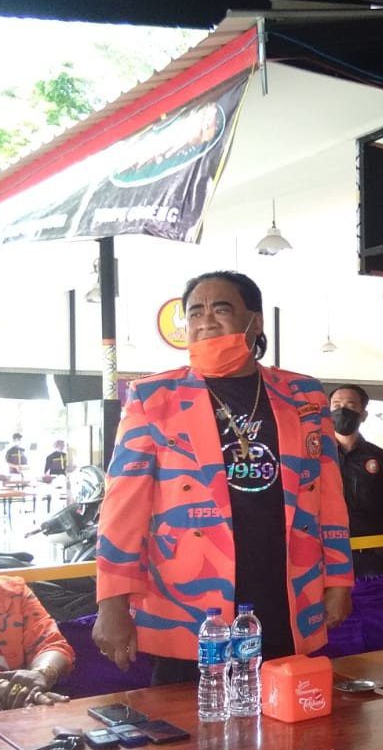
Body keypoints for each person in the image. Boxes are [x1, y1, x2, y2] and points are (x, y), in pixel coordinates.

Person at [94, 271, 352, 684]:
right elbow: (123, 509)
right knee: (190, 731)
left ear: (255, 321)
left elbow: (331, 498)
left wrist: (339, 580)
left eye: (222, 308)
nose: (206, 320)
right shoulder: (153, 397)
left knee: (285, 727)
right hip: (189, 601)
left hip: (286, 591)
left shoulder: (305, 395)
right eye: (195, 311)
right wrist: (112, 604)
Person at [0, 502, 73, 716]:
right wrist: (0, 691)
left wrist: (41, 674)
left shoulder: (13, 593)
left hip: (11, 724)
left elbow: (52, 645)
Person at [329, 383, 383, 578]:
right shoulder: (314, 456)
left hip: (370, 554)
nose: (342, 411)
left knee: (369, 604)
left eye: (351, 406)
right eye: (336, 405)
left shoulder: (381, 458)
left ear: (363, 414)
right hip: (325, 551)